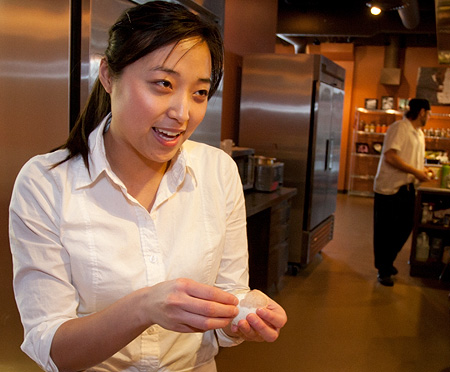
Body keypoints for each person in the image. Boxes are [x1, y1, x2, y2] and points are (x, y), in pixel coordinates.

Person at [8, 2, 287, 371]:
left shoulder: (217, 170)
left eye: (199, 93)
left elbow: (229, 294)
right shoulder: (46, 183)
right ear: (109, 76)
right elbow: (52, 347)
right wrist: (144, 307)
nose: (182, 113)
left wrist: (244, 313)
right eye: (163, 84)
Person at [373, 98, 432, 286]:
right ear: (422, 112)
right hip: (390, 188)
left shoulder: (419, 133)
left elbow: (413, 159)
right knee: (385, 230)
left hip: (408, 187)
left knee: (407, 225)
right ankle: (383, 270)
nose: (429, 117)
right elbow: (390, 156)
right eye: (428, 113)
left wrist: (422, 171)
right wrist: (416, 172)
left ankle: (387, 260)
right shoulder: (400, 128)